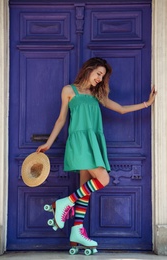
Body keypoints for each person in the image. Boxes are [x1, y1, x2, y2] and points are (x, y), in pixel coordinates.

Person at [37, 57, 156, 253]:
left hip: (93, 143)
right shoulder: (69, 91)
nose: (100, 79)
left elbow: (120, 109)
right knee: (103, 179)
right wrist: (48, 143)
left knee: (86, 189)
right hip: (79, 143)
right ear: (89, 70)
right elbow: (60, 120)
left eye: (103, 76)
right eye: (98, 74)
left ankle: (76, 231)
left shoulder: (96, 94)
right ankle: (65, 203)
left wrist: (147, 103)